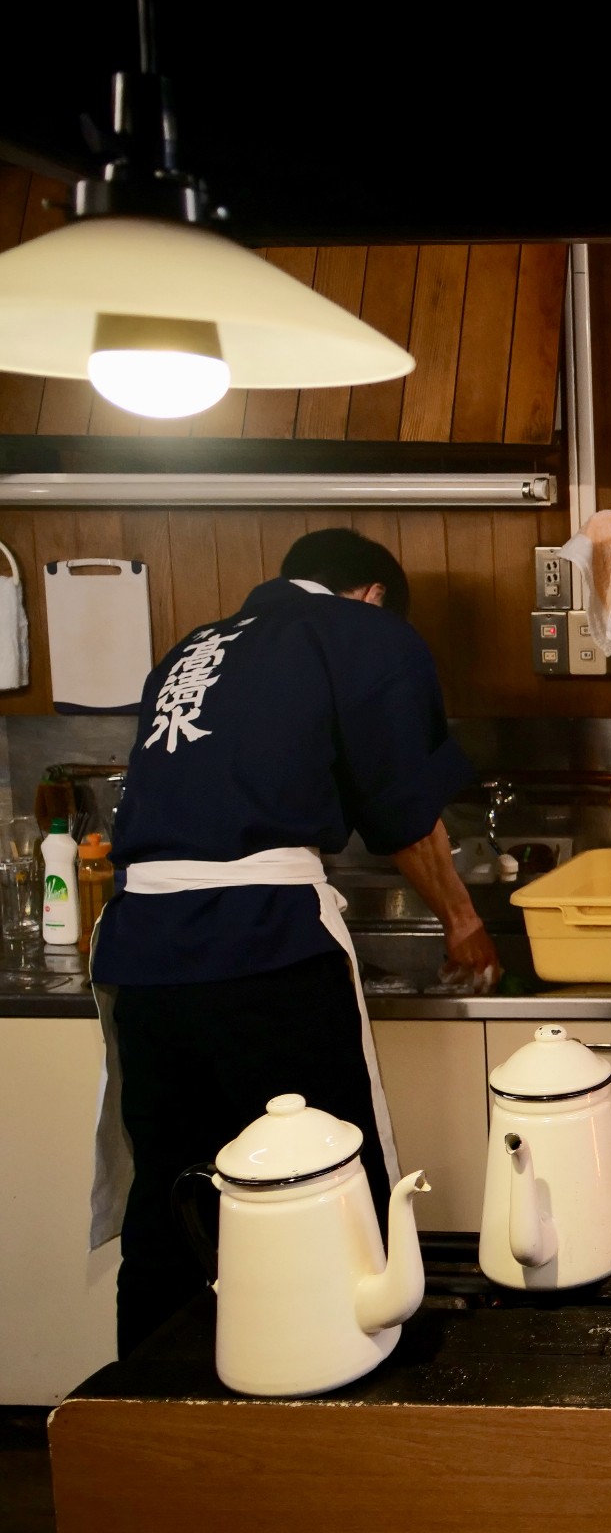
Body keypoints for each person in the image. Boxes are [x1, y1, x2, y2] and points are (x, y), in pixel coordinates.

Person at [91, 528, 499, 1356]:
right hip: (263, 938)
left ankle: (149, 1405)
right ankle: (350, 1383)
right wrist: (464, 922)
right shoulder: (365, 633)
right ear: (373, 593)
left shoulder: (194, 647)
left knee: (174, 1189)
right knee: (323, 1172)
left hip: (139, 946)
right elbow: (401, 812)